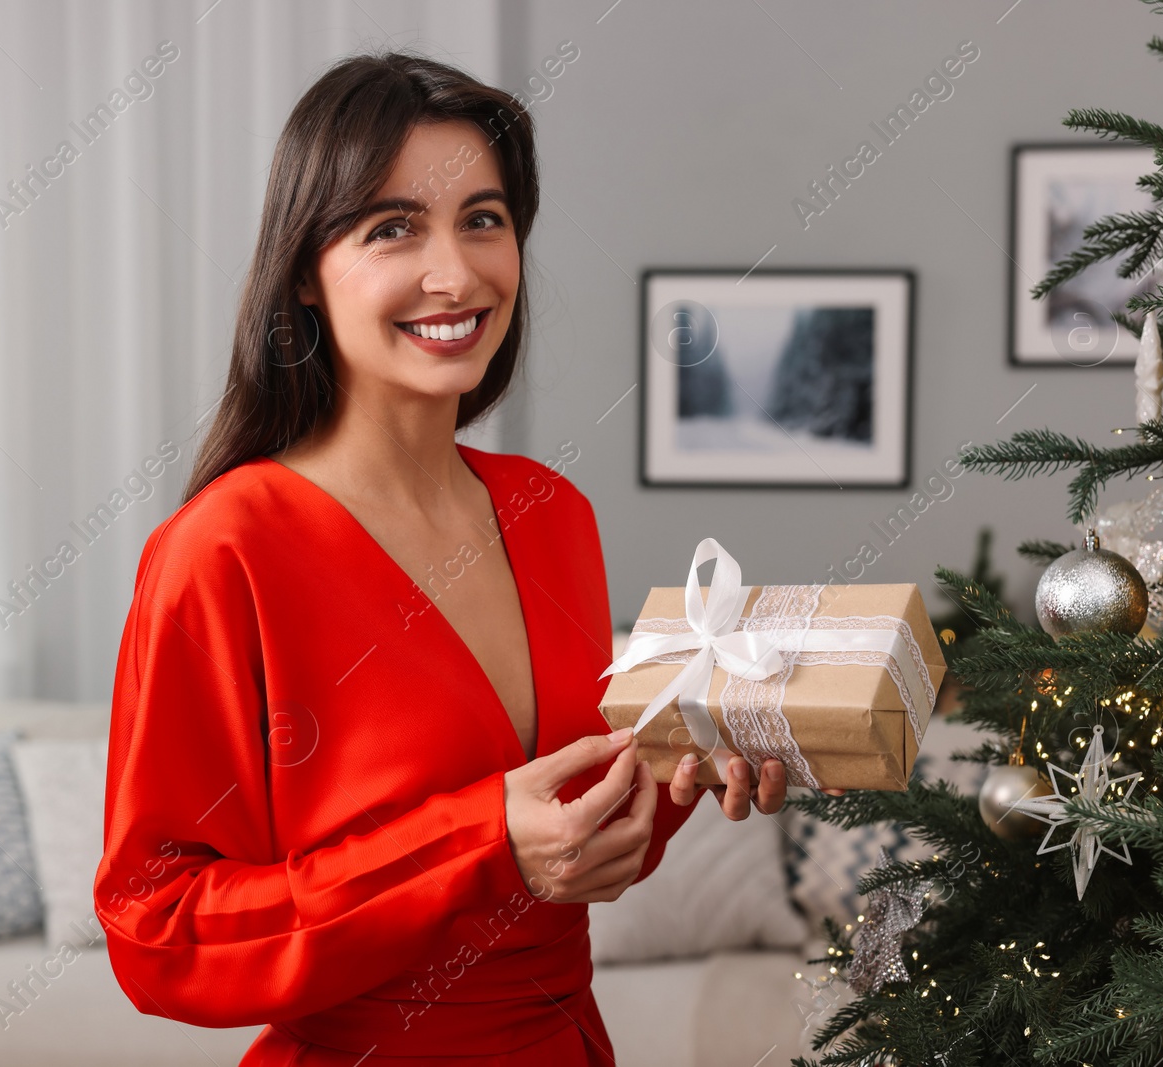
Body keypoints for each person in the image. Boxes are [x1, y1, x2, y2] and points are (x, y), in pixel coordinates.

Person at [93, 51, 800, 1066]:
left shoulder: (551, 511)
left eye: (483, 217)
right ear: (303, 267)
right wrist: (476, 841)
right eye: (393, 228)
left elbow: (577, 858)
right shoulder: (224, 547)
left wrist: (689, 771)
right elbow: (156, 929)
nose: (457, 272)